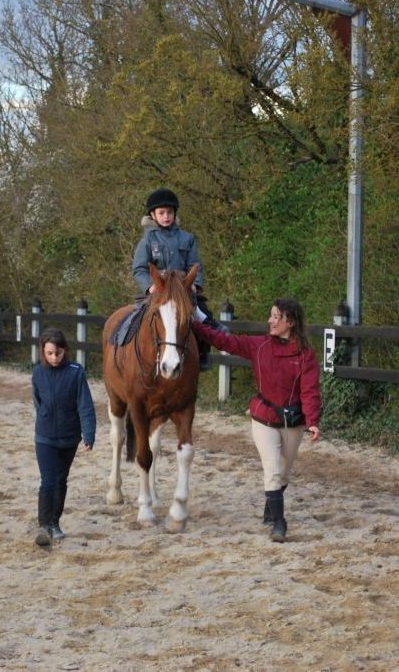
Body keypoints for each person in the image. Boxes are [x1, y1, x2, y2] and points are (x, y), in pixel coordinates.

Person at [193, 298, 321, 543]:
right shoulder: (259, 345)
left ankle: (270, 508)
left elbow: (310, 391)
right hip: (263, 418)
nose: (270, 321)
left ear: (290, 322)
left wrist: (312, 420)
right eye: (270, 315)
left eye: (276, 317)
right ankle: (280, 524)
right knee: (272, 471)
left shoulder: (306, 355)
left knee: (283, 475)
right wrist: (197, 326)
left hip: (293, 422)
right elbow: (226, 341)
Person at [132, 187, 225, 369]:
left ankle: (203, 354)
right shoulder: (147, 240)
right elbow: (139, 269)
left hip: (182, 290)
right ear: (153, 215)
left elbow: (195, 265)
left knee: (201, 315)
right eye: (162, 213)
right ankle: (131, 351)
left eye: (169, 212)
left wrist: (194, 285)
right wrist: (149, 286)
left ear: (174, 214)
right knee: (135, 318)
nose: (166, 216)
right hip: (158, 291)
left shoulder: (187, 238)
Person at [32, 328, 96, 546]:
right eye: (49, 353)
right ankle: (43, 526)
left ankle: (55, 522)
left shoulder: (76, 372)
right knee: (48, 481)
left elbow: (85, 405)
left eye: (58, 353)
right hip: (45, 437)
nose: (54, 358)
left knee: (61, 481)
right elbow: (37, 400)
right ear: (43, 352)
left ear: (64, 351)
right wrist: (46, 417)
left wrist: (88, 433)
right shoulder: (37, 372)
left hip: (69, 438)